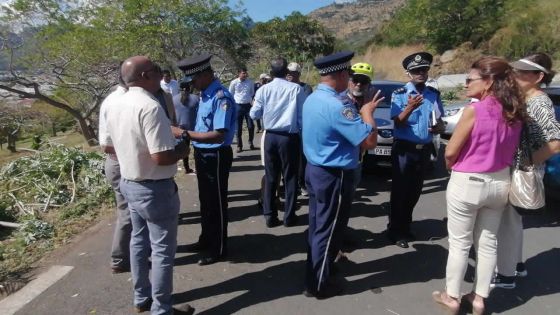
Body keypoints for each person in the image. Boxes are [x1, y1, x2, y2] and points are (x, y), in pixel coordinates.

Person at [432, 56, 526, 315]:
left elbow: (451, 151)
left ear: (488, 82)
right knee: (487, 243)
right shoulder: (515, 111)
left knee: (460, 243)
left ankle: (451, 296)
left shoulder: (475, 110)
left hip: (469, 181)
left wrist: (451, 165)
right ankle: (479, 298)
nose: (465, 85)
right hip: (499, 182)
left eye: (470, 80)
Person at [103, 56, 192, 315]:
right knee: (163, 251)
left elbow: (109, 146)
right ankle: (161, 309)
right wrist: (183, 150)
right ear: (145, 76)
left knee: (138, 243)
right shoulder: (150, 107)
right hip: (154, 187)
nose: (159, 75)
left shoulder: (115, 103)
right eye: (156, 70)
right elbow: (161, 156)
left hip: (130, 182)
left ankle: (141, 298)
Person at [302, 51, 382, 298]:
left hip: (316, 170)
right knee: (329, 229)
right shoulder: (337, 106)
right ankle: (318, 285)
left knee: (318, 226)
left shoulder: (313, 98)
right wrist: (368, 111)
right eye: (347, 74)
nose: (349, 79)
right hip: (334, 174)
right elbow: (368, 141)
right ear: (339, 74)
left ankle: (318, 271)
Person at [493, 53, 560, 289]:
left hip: (521, 169)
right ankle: (517, 264)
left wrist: (526, 162)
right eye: (515, 71)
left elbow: (555, 142)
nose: (515, 75)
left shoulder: (539, 102)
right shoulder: (526, 99)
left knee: (507, 223)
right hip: (519, 167)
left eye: (522, 72)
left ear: (538, 76)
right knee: (513, 221)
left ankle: (506, 275)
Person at [177, 54, 236, 266]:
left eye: (194, 80)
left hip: (216, 154)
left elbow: (219, 134)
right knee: (205, 200)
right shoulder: (205, 94)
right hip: (202, 153)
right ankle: (206, 238)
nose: (192, 85)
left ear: (206, 75)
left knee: (217, 202)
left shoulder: (221, 97)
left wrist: (185, 134)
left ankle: (218, 248)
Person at [387, 52, 445, 249]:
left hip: (423, 149)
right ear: (408, 73)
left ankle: (406, 225)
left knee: (415, 191)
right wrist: (409, 107)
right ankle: (395, 230)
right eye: (416, 71)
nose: (421, 73)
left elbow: (440, 122)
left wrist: (439, 128)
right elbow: (397, 122)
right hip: (404, 149)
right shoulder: (400, 94)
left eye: (424, 70)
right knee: (400, 191)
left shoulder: (433, 94)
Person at [250, 57, 306, 228]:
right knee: (290, 177)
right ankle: (289, 216)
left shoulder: (263, 90)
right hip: (289, 137)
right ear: (287, 72)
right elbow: (302, 117)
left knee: (271, 176)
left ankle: (270, 215)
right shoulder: (296, 89)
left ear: (272, 72)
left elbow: (254, 115)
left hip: (271, 136)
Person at [98, 76, 129, 274]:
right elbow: (105, 145)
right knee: (127, 213)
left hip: (120, 162)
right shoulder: (119, 102)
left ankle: (134, 253)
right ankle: (119, 259)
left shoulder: (118, 99)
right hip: (121, 163)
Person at [286, 62, 313, 197]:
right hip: (287, 129)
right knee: (288, 158)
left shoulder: (306, 88)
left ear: (298, 74)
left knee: (302, 158)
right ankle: (290, 184)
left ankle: (302, 183)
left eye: (293, 73)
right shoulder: (283, 88)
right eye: (288, 73)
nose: (290, 75)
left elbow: (306, 106)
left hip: (302, 129)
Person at [173, 79, 199, 174]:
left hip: (180, 129)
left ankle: (186, 168)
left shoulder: (173, 99)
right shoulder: (195, 98)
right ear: (189, 88)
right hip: (194, 128)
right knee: (197, 148)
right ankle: (198, 166)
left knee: (184, 149)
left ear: (180, 89)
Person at [229, 67, 255, 152]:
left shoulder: (250, 82)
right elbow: (231, 93)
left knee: (251, 126)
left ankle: (251, 142)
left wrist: (248, 99)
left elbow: (252, 93)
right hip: (238, 106)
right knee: (238, 127)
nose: (245, 74)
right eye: (243, 73)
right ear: (239, 74)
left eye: (245, 73)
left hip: (248, 106)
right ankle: (239, 146)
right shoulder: (234, 82)